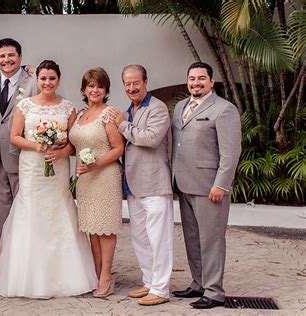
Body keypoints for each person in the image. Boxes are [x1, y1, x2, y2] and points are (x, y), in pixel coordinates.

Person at [0, 60, 97, 298]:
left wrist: (60, 152)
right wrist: (38, 145)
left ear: (58, 80)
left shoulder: (67, 107)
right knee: (31, 211)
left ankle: (66, 275)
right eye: (43, 78)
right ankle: (26, 276)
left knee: (59, 209)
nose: (47, 83)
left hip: (57, 168)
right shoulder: (25, 105)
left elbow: (73, 143)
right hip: (32, 167)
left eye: (52, 78)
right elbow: (15, 137)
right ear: (37, 80)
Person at [171, 62, 241, 309]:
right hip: (184, 184)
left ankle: (214, 292)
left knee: (211, 240)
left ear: (212, 81)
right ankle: (198, 283)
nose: (196, 83)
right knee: (192, 238)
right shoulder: (180, 107)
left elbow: (231, 152)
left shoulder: (224, 109)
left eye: (201, 78)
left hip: (209, 187)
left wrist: (221, 184)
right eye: (192, 78)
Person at [110, 65, 174, 306]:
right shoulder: (130, 109)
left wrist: (123, 125)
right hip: (134, 186)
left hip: (154, 184)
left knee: (159, 238)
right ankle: (149, 281)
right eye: (127, 84)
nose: (131, 88)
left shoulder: (157, 108)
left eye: (136, 82)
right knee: (141, 237)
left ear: (146, 82)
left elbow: (150, 138)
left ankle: (161, 288)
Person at [68, 68, 124, 298]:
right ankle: (96, 272)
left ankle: (106, 276)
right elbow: (75, 146)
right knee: (92, 228)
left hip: (105, 176)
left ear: (106, 90)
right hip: (85, 178)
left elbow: (119, 148)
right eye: (90, 86)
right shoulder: (81, 115)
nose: (95, 90)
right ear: (84, 89)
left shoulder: (109, 115)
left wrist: (96, 164)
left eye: (99, 86)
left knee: (106, 228)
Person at [0, 38, 38, 257]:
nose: (7, 60)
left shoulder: (33, 80)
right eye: (2, 56)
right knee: (0, 215)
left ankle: (26, 263)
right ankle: (3, 264)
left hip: (23, 156)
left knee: (25, 212)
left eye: (11, 55)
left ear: (20, 58)